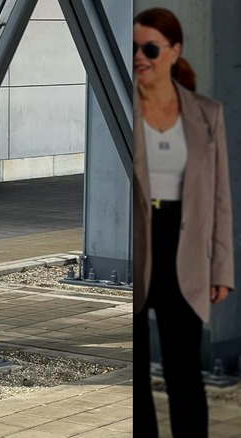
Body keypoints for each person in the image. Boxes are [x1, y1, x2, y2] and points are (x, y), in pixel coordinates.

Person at [132, 7, 233, 438]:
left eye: (150, 48)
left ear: (174, 51)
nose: (140, 56)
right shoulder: (123, 105)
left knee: (183, 371)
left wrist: (221, 269)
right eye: (134, 47)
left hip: (185, 246)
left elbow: (220, 199)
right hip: (138, 241)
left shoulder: (206, 114)